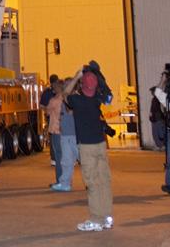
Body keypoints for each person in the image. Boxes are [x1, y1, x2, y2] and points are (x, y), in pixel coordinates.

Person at [64, 65, 113, 231]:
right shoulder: (98, 99)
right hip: (100, 145)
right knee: (104, 181)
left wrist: (77, 76)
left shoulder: (77, 100)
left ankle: (95, 219)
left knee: (92, 183)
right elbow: (108, 95)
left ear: (82, 84)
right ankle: (106, 217)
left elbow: (64, 95)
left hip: (87, 147)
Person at [52, 79, 79, 192]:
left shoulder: (75, 99)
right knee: (66, 161)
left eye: (68, 85)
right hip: (65, 135)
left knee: (84, 159)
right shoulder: (64, 99)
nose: (65, 86)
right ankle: (65, 183)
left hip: (74, 135)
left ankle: (93, 182)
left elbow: (71, 112)